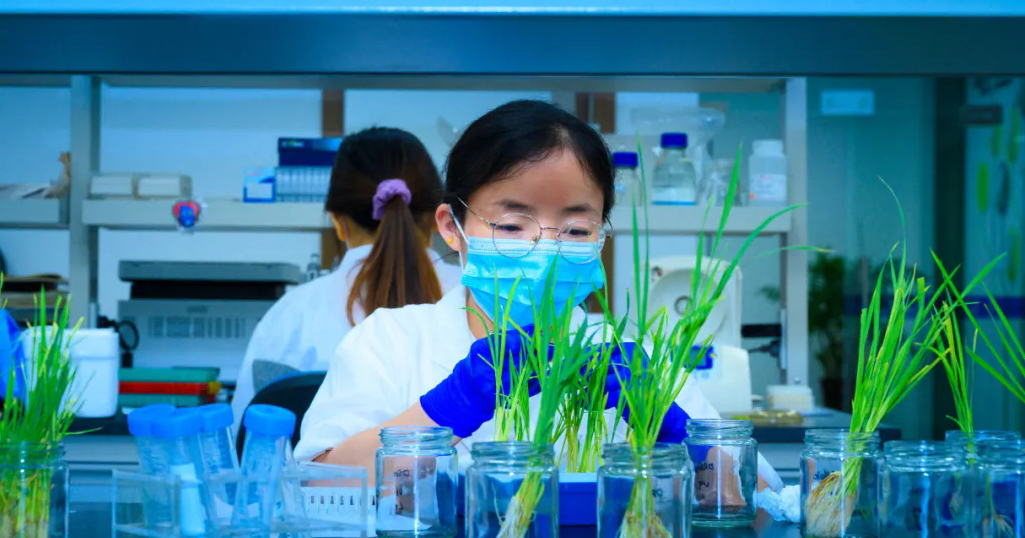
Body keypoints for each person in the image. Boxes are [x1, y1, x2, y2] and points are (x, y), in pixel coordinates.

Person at [295, 100, 783, 492]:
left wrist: (670, 424)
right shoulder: (390, 342)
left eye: (576, 229)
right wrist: (447, 408)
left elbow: (763, 498)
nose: (545, 247)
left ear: (601, 235)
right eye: (511, 225)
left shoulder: (631, 358)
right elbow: (316, 482)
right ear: (451, 226)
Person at [230, 127, 462, 431]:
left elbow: (248, 435)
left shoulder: (291, 316)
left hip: (323, 465)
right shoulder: (480, 299)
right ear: (438, 218)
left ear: (337, 222)